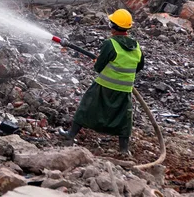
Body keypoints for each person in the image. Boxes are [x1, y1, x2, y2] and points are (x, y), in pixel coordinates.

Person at [59, 8, 145, 155]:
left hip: (104, 87)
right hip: (125, 91)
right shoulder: (136, 46)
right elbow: (139, 66)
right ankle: (124, 150)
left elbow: (98, 68)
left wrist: (99, 61)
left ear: (112, 26)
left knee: (86, 106)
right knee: (124, 118)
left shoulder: (110, 43)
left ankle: (70, 135)